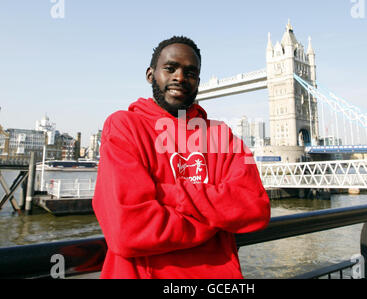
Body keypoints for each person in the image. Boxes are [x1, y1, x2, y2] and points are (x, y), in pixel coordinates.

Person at [92, 36, 270, 279]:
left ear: (197, 81)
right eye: (170, 68)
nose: (179, 77)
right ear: (150, 75)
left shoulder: (222, 135)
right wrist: (216, 222)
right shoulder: (123, 126)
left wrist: (166, 193)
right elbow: (128, 231)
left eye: (190, 72)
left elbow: (254, 208)